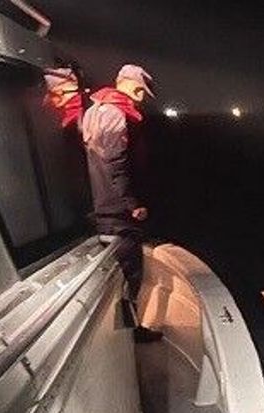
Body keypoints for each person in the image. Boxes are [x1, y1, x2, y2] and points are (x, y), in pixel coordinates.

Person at [80, 64, 161, 342]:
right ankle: (131, 336)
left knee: (120, 275)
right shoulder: (115, 114)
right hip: (118, 214)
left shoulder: (94, 110)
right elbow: (117, 165)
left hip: (102, 208)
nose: (141, 96)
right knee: (131, 276)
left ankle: (126, 334)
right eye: (139, 89)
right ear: (124, 83)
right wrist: (132, 204)